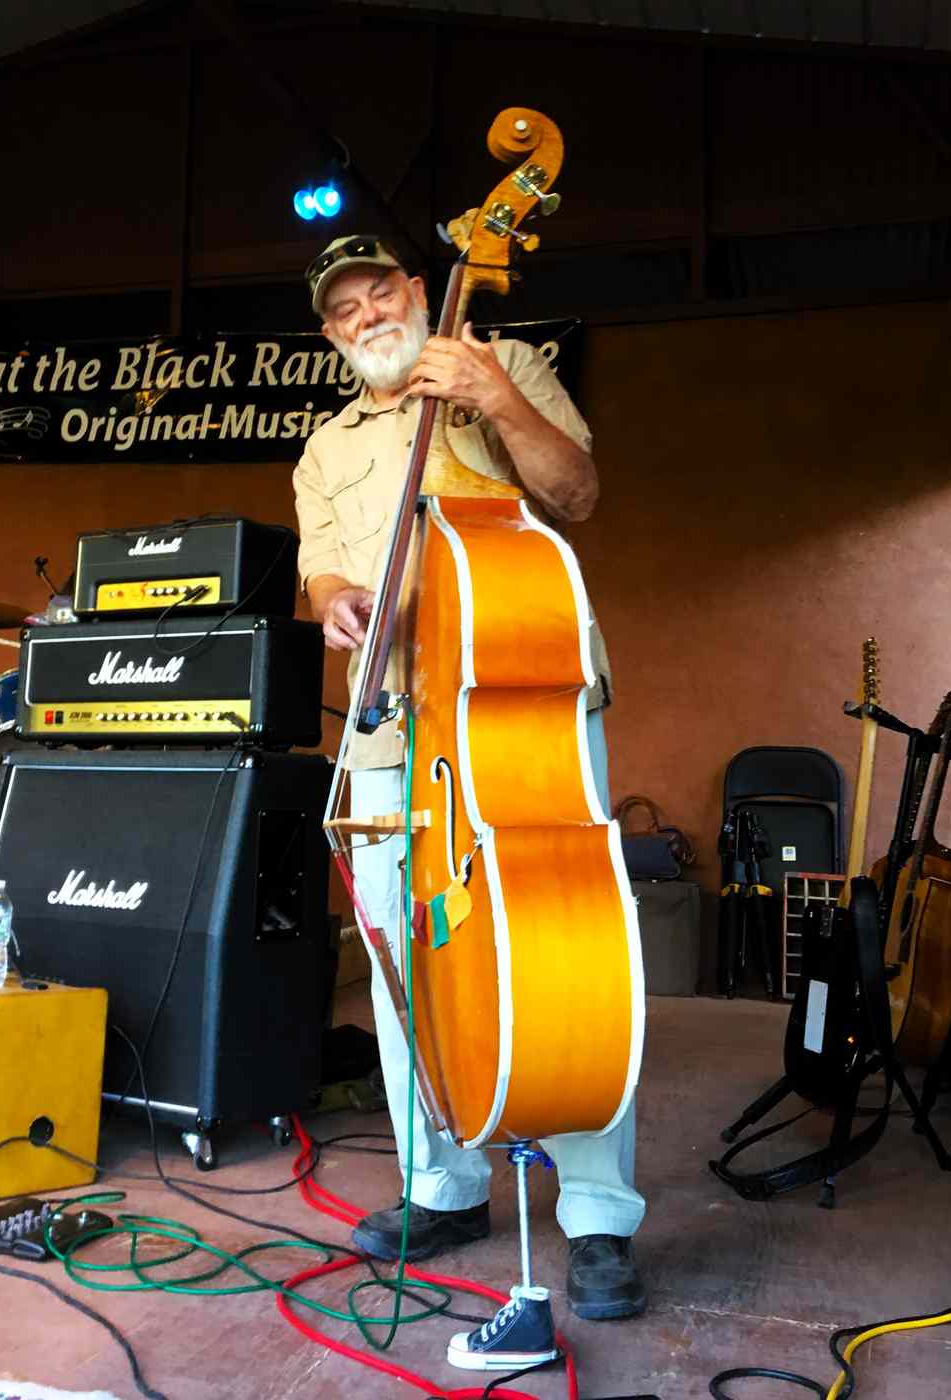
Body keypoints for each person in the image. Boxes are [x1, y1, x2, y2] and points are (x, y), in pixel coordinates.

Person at [292, 234, 646, 1339]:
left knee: (562, 942)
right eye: (342, 311)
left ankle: (596, 1213)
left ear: (413, 290)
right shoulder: (323, 448)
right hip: (401, 731)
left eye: (378, 292)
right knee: (406, 956)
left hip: (521, 705)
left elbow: (574, 491)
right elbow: (321, 574)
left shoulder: (506, 367)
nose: (365, 316)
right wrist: (340, 598)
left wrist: (495, 392)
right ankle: (441, 1185)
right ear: (331, 333)